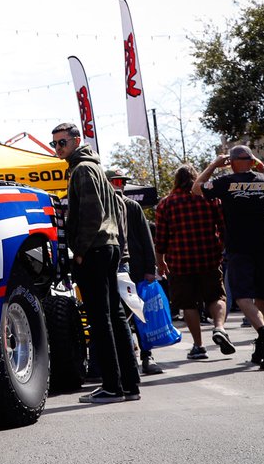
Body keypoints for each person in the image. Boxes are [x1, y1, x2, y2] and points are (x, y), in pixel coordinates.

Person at [50, 123, 139, 404]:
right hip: (107, 247)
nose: (58, 148)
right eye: (54, 144)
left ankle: (113, 386)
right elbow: (113, 210)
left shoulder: (83, 169)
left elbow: (92, 213)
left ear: (76, 141)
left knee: (102, 319)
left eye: (62, 143)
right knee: (113, 316)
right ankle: (129, 384)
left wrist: (79, 250)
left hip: (96, 249)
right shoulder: (94, 167)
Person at [195, 145, 264, 368]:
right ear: (252, 161)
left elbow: (197, 188)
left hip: (239, 248)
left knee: (243, 296)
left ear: (232, 162)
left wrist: (214, 164)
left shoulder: (225, 183)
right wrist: (260, 164)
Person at [154, 164, 227, 361]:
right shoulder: (210, 200)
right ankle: (219, 328)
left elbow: (160, 239)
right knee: (216, 297)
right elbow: (223, 226)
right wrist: (219, 248)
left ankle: (199, 345)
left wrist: (160, 262)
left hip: (180, 262)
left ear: (176, 180)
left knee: (188, 305)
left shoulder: (166, 204)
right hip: (209, 258)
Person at [106, 169, 162, 375]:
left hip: (136, 270)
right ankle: (128, 360)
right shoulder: (103, 206)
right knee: (121, 317)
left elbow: (147, 240)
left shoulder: (132, 206)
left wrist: (150, 269)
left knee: (140, 316)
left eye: (122, 181)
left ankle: (147, 356)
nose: (119, 184)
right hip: (115, 268)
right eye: (116, 181)